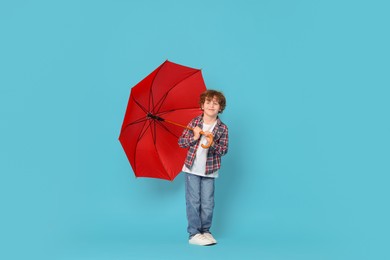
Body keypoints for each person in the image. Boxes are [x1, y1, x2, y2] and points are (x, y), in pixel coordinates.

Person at [178, 89, 229, 246]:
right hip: (192, 169)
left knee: (207, 202)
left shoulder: (222, 128)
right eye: (208, 102)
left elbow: (224, 150)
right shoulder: (194, 124)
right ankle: (194, 233)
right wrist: (194, 137)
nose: (211, 105)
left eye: (215, 103)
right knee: (193, 201)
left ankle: (205, 231)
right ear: (202, 105)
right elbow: (181, 143)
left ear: (220, 108)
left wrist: (212, 142)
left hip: (210, 170)